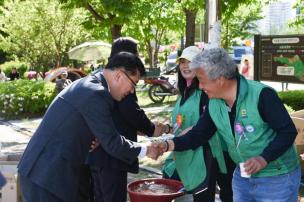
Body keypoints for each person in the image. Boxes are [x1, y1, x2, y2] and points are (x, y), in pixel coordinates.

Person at [158, 48, 300, 202]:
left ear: (220, 79)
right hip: (243, 175)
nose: (199, 86)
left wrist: (263, 158)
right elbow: (199, 133)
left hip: (277, 178)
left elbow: (288, 132)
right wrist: (167, 145)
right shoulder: (214, 103)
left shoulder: (262, 95)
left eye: (202, 80)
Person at [17, 52, 161, 202]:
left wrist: (95, 137)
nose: (131, 91)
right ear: (119, 75)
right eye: (133, 84)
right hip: (47, 177)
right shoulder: (96, 93)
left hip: (47, 174)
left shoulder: (90, 84)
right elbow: (112, 142)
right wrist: (146, 149)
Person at [87, 37, 165, 202]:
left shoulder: (100, 76)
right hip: (112, 155)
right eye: (136, 54)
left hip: (96, 155)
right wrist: (151, 129)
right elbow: (131, 111)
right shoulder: (121, 80)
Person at [162, 46, 233, 202]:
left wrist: (186, 133)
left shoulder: (207, 92)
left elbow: (207, 124)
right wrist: (167, 127)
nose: (186, 66)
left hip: (205, 154)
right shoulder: (184, 92)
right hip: (184, 150)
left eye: (191, 61)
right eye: (182, 62)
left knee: (204, 195)